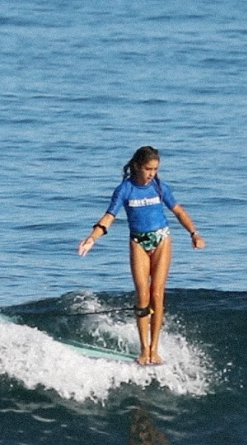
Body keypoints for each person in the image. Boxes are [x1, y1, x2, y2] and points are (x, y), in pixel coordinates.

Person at [78, 146, 205, 365]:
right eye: (148, 169)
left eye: (155, 169)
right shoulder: (125, 189)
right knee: (142, 296)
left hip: (162, 238)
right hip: (138, 241)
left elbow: (178, 211)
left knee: (157, 293)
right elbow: (109, 216)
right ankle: (144, 349)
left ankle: (155, 349)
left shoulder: (159, 188)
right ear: (137, 166)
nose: (151, 174)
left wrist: (194, 233)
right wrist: (92, 238)